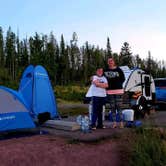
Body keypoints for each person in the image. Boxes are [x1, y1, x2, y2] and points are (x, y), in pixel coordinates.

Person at [104, 58, 125, 128]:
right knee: (112, 108)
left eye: (111, 61)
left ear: (114, 62)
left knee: (119, 107)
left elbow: (123, 79)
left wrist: (118, 84)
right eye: (109, 61)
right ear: (108, 63)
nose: (110, 62)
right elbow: (101, 77)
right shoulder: (105, 70)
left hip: (118, 91)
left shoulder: (119, 70)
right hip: (109, 92)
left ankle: (121, 123)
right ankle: (114, 123)